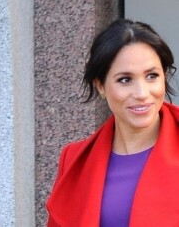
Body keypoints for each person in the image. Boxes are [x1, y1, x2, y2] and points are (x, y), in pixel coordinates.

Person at [46, 19, 179, 226]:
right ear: (100, 86)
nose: (142, 94)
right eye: (125, 80)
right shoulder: (73, 161)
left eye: (152, 76)